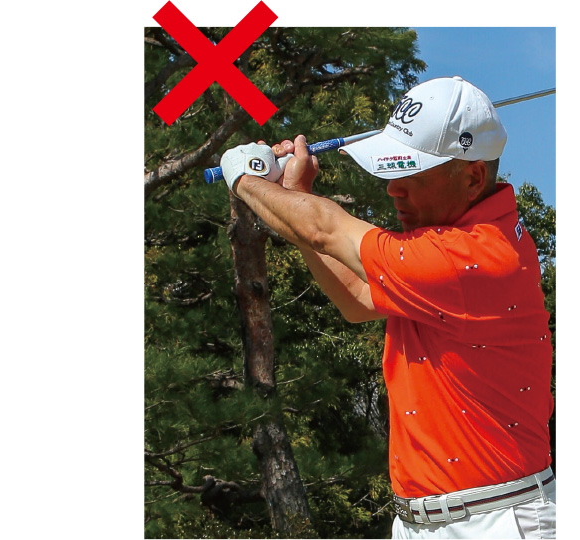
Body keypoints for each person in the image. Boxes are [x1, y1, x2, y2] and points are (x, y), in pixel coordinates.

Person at [219, 76, 555, 539]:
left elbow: (325, 231)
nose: (394, 189)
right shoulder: (461, 247)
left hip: (495, 521)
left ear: (473, 177)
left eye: (412, 174)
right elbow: (357, 298)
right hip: (425, 520)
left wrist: (246, 178)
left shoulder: (468, 257)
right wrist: (296, 196)